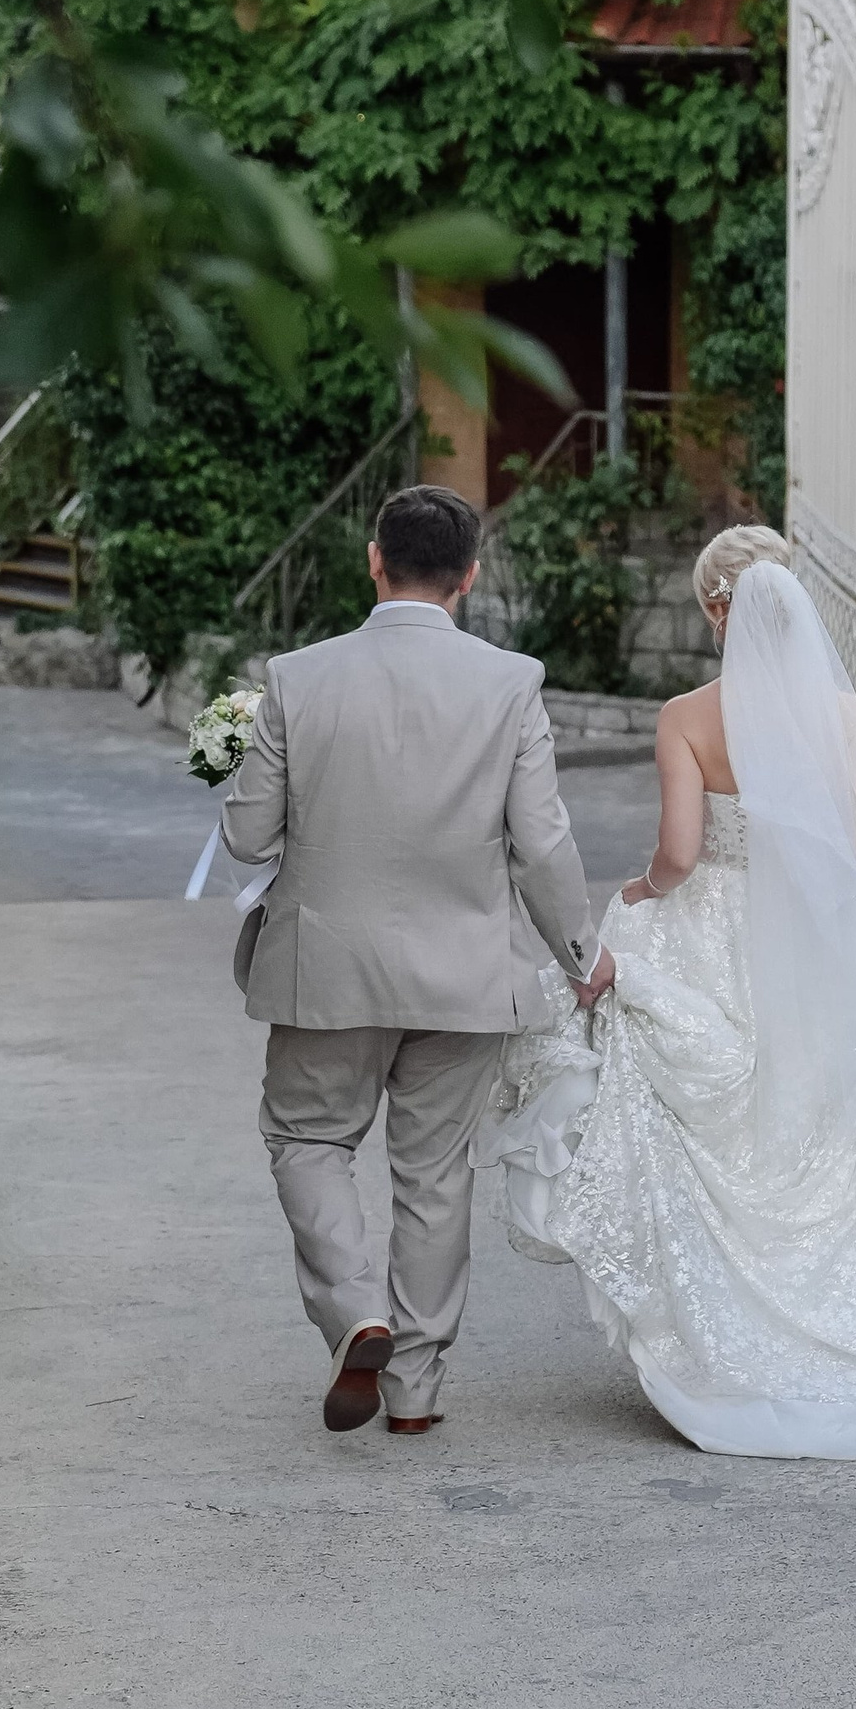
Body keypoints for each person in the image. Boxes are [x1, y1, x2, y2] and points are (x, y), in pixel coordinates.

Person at [480, 523, 856, 1458]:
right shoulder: (845, 717)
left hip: (717, 928)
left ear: (716, 609)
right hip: (827, 933)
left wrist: (637, 894)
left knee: (729, 1119)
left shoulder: (688, 718)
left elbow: (679, 854)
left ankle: (732, 1337)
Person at [218, 482, 607, 1435]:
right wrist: (580, 954)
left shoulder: (296, 677)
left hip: (325, 971)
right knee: (435, 1174)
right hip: (466, 972)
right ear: (469, 577)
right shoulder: (512, 681)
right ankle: (417, 1393)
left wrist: (234, 762)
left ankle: (357, 1309)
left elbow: (249, 839)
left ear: (373, 558)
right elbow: (541, 841)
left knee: (309, 1140)